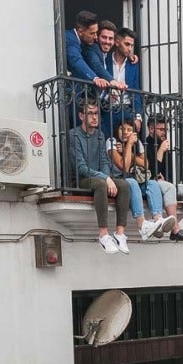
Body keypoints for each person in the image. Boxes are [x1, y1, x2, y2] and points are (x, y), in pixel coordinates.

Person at [70, 101, 130, 254]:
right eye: (90, 114)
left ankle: (120, 233)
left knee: (123, 184)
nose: (95, 117)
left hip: (98, 177)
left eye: (96, 113)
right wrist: (105, 178)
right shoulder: (74, 134)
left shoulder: (100, 135)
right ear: (81, 116)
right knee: (101, 184)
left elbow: (104, 161)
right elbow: (81, 167)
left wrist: (107, 177)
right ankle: (103, 235)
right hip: (81, 179)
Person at [144, 114, 183, 242]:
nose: (164, 133)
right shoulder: (146, 145)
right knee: (169, 187)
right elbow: (150, 172)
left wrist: (164, 177)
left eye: (165, 130)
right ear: (151, 129)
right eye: (161, 129)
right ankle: (175, 230)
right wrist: (160, 152)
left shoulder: (164, 144)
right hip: (152, 184)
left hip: (166, 183)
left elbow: (169, 173)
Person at [108, 118, 169, 241]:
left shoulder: (138, 143)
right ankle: (142, 224)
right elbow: (124, 167)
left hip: (136, 179)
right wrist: (129, 145)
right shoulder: (112, 141)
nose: (125, 132)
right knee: (131, 182)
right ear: (117, 130)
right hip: (119, 181)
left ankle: (157, 219)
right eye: (122, 129)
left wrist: (127, 150)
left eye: (129, 130)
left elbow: (145, 164)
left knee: (152, 183)